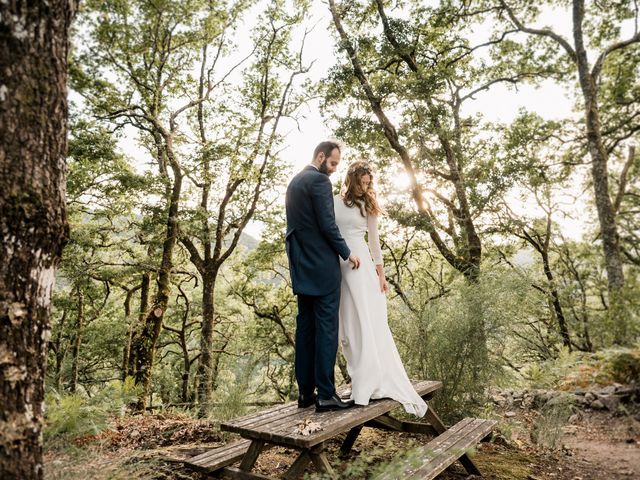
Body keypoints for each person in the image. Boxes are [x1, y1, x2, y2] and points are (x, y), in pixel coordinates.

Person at [334, 161, 428, 417]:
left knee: (365, 322)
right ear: (352, 179)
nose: (365, 187)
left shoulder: (369, 205)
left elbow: (374, 242)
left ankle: (367, 382)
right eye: (362, 182)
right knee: (347, 326)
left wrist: (381, 274)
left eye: (368, 183)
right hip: (337, 266)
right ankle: (357, 377)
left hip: (360, 266)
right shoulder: (333, 201)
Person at [285, 141, 361, 412]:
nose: (334, 169)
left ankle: (305, 393)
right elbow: (328, 224)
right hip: (322, 268)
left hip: (301, 266)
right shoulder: (319, 182)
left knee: (305, 330)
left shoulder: (295, 182)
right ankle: (326, 395)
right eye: (332, 163)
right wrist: (346, 252)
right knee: (327, 330)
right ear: (320, 157)